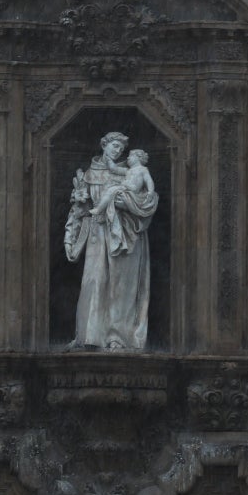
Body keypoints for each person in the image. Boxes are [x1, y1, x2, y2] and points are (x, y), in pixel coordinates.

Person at [64, 130, 159, 351]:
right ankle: (89, 335)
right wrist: (70, 237)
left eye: (121, 148)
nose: (118, 151)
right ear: (104, 145)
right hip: (98, 233)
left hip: (127, 234)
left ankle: (118, 336)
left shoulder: (131, 172)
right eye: (114, 146)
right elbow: (79, 209)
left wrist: (125, 204)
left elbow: (147, 200)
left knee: (122, 286)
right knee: (94, 282)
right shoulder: (89, 174)